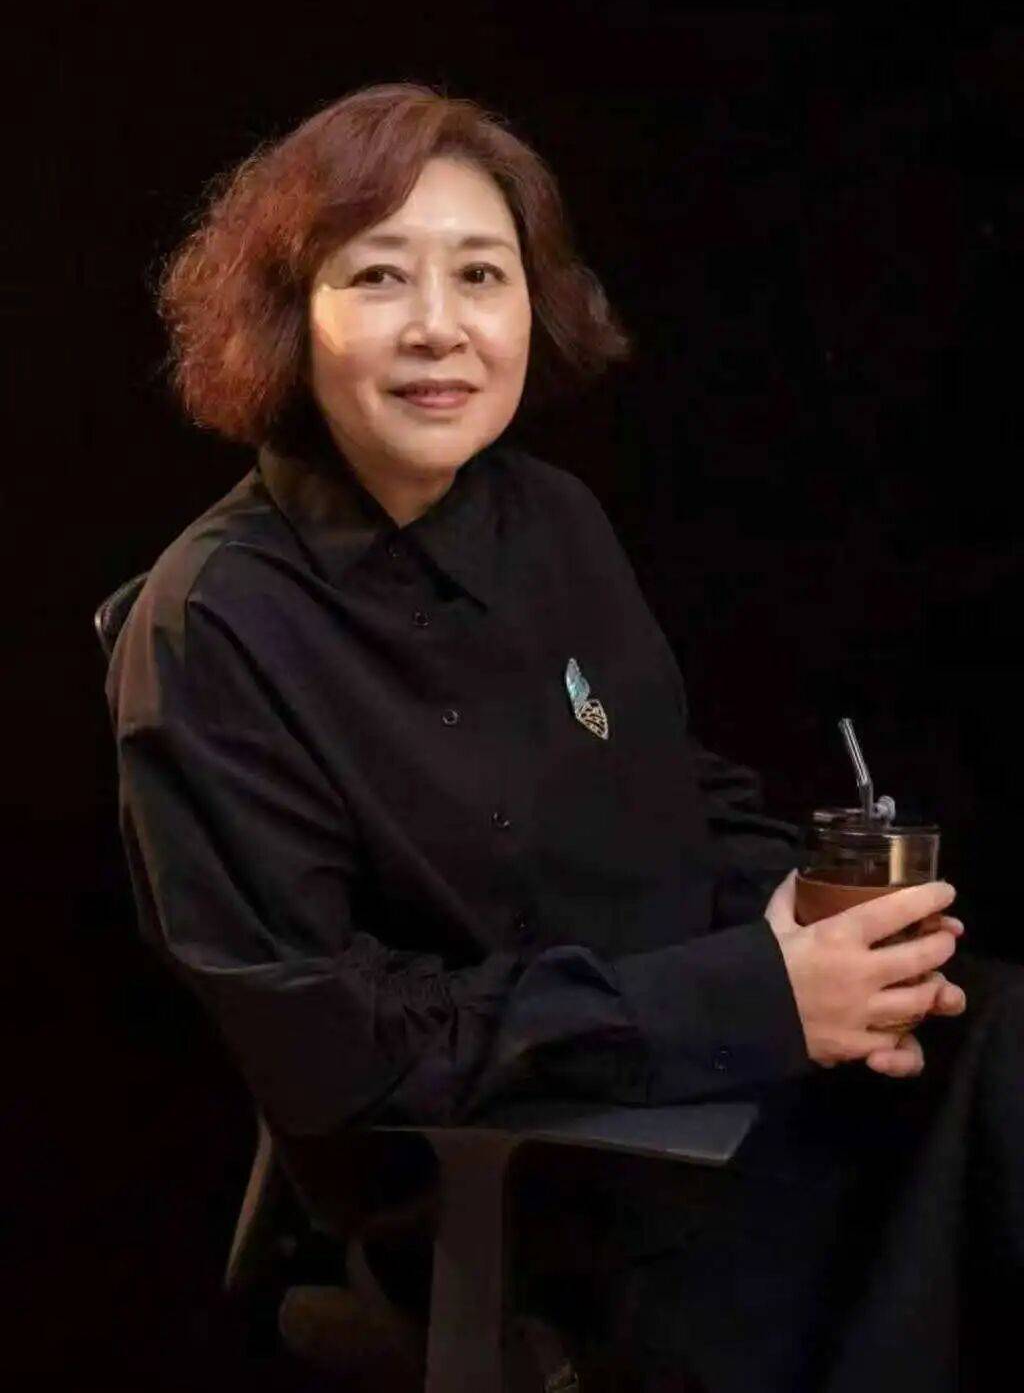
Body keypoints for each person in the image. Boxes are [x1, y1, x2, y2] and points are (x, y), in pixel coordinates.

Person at [104, 82, 1022, 1391]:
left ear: (532, 306)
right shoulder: (213, 624)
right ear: (289, 318)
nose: (439, 324)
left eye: (481, 273)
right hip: (514, 1173)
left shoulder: (551, 519)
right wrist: (753, 1000)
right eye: (378, 275)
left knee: (994, 1032)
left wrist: (820, 935)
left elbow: (673, 792)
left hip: (691, 1076)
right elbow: (335, 1049)